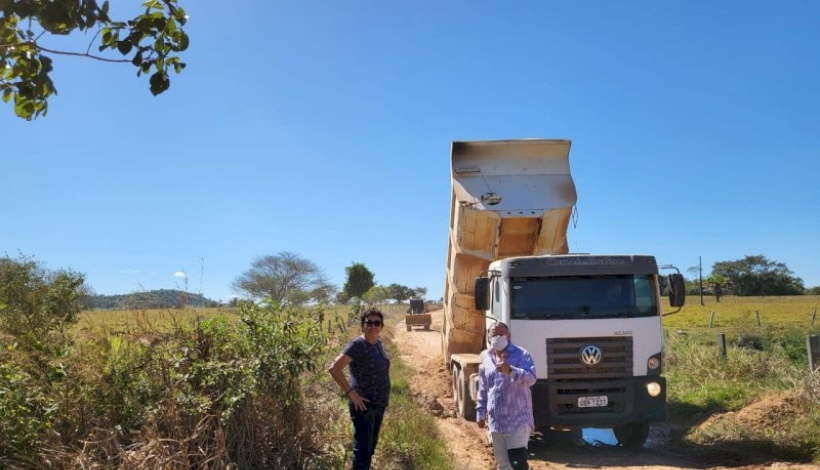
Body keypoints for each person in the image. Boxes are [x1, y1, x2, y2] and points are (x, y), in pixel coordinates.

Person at [328, 308, 391, 470]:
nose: (373, 326)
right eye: (368, 322)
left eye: (376, 323)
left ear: (381, 326)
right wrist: (352, 394)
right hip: (363, 406)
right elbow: (334, 368)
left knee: (370, 448)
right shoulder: (357, 345)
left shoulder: (377, 343)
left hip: (379, 404)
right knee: (362, 450)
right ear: (363, 325)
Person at [476, 322, 537, 470]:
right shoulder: (487, 359)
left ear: (509, 336)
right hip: (496, 423)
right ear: (489, 337)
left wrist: (510, 370)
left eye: (501, 334)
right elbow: (483, 388)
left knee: (518, 464)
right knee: (503, 465)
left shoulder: (521, 355)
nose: (498, 337)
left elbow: (532, 378)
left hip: (517, 422)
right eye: (494, 334)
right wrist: (480, 412)